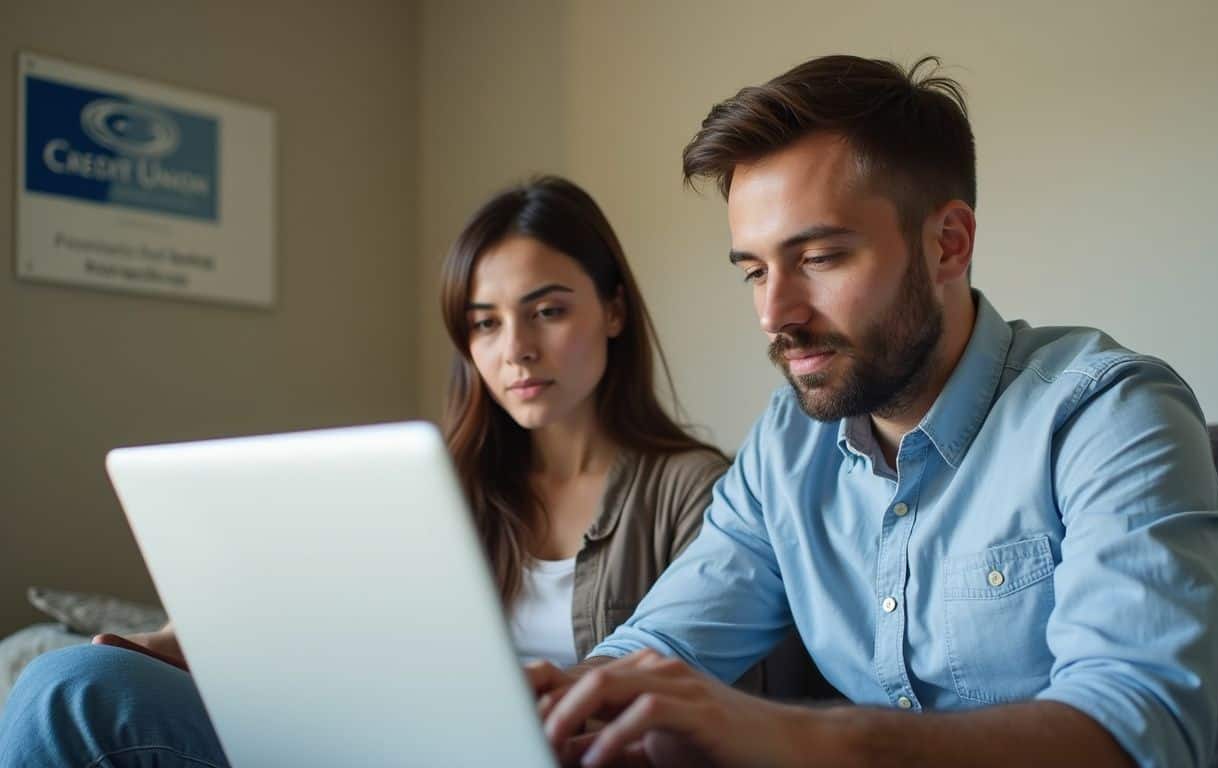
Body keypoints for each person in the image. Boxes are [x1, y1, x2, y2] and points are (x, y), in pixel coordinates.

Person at [528, 56, 1218, 768]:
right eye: (754, 271)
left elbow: (1142, 731)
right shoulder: (787, 446)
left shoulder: (1110, 414)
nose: (774, 314)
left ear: (948, 244)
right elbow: (666, 644)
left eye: (819, 258)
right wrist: (565, 702)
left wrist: (814, 740)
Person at [0, 176, 731, 766]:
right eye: (484, 322)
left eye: (547, 311)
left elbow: (711, 711)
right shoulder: (441, 485)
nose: (516, 350)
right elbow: (306, 603)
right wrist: (179, 641)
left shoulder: (696, 492)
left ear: (612, 311)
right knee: (67, 683)